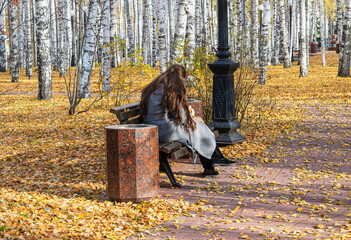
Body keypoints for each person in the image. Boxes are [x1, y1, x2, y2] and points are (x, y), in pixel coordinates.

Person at [139, 64, 236, 176]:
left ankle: (214, 161)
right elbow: (179, 116)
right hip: (164, 130)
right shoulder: (171, 89)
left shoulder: (156, 86)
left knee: (197, 126)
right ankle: (214, 160)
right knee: (197, 127)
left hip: (153, 128)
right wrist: (191, 116)